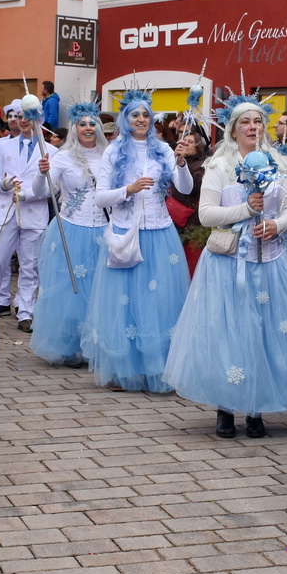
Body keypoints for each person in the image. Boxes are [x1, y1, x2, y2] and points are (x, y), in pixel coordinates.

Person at [165, 97, 287, 436]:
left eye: (258, 121)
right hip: (228, 264)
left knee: (264, 333)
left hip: (271, 263)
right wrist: (246, 210)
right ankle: (225, 408)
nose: (253, 127)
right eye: (245, 122)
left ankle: (256, 408)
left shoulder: (282, 164)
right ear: (233, 129)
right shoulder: (219, 166)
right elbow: (207, 214)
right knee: (228, 334)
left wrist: (278, 224)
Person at [85, 91, 195, 391]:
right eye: (135, 114)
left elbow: (184, 187)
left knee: (159, 302)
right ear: (126, 119)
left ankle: (158, 368)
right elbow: (100, 197)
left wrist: (182, 164)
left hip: (160, 233)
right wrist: (129, 189)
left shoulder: (163, 150)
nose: (141, 119)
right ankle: (125, 370)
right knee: (127, 304)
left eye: (146, 114)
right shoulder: (113, 151)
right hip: (125, 234)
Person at [32, 102, 113, 367]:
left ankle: (98, 345)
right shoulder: (62, 158)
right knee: (70, 292)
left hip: (103, 230)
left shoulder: (110, 155)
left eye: (92, 123)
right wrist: (41, 173)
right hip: (70, 230)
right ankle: (69, 345)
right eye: (82, 124)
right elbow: (42, 192)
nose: (88, 128)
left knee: (100, 290)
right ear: (74, 128)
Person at [0, 103, 50, 331]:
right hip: (5, 211)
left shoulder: (51, 149)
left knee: (30, 265)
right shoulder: (2, 146)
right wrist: (3, 184)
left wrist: (27, 194)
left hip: (34, 213)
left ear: (39, 120)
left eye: (29, 116)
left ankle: (26, 312)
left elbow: (52, 187)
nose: (23, 120)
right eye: (20, 116)